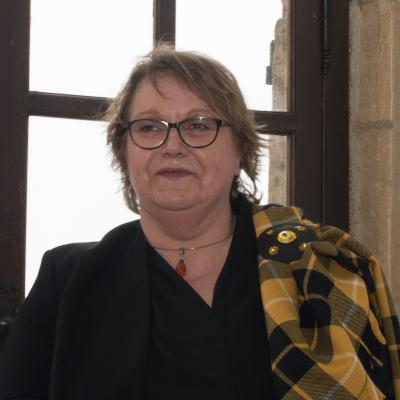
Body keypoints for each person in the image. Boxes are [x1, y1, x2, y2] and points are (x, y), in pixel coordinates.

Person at [0, 45, 399, 400]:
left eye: (198, 125)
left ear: (240, 148)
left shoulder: (321, 268)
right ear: (124, 152)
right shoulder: (66, 280)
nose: (172, 146)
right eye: (149, 127)